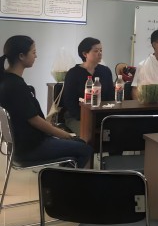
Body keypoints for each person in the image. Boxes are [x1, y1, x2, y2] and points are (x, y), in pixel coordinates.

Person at [0, 36, 92, 168]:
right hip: (31, 148)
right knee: (85, 148)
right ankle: (64, 179)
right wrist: (63, 134)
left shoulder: (7, 80)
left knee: (78, 143)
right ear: (21, 56)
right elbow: (35, 120)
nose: (36, 56)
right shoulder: (15, 86)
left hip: (22, 145)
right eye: (33, 52)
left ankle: (62, 178)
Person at [61, 37, 114, 135]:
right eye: (96, 51)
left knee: (115, 131)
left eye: (101, 50)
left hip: (101, 115)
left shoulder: (105, 71)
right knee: (88, 133)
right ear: (85, 54)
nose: (100, 53)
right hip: (77, 116)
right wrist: (85, 117)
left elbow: (111, 96)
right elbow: (69, 101)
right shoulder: (73, 73)